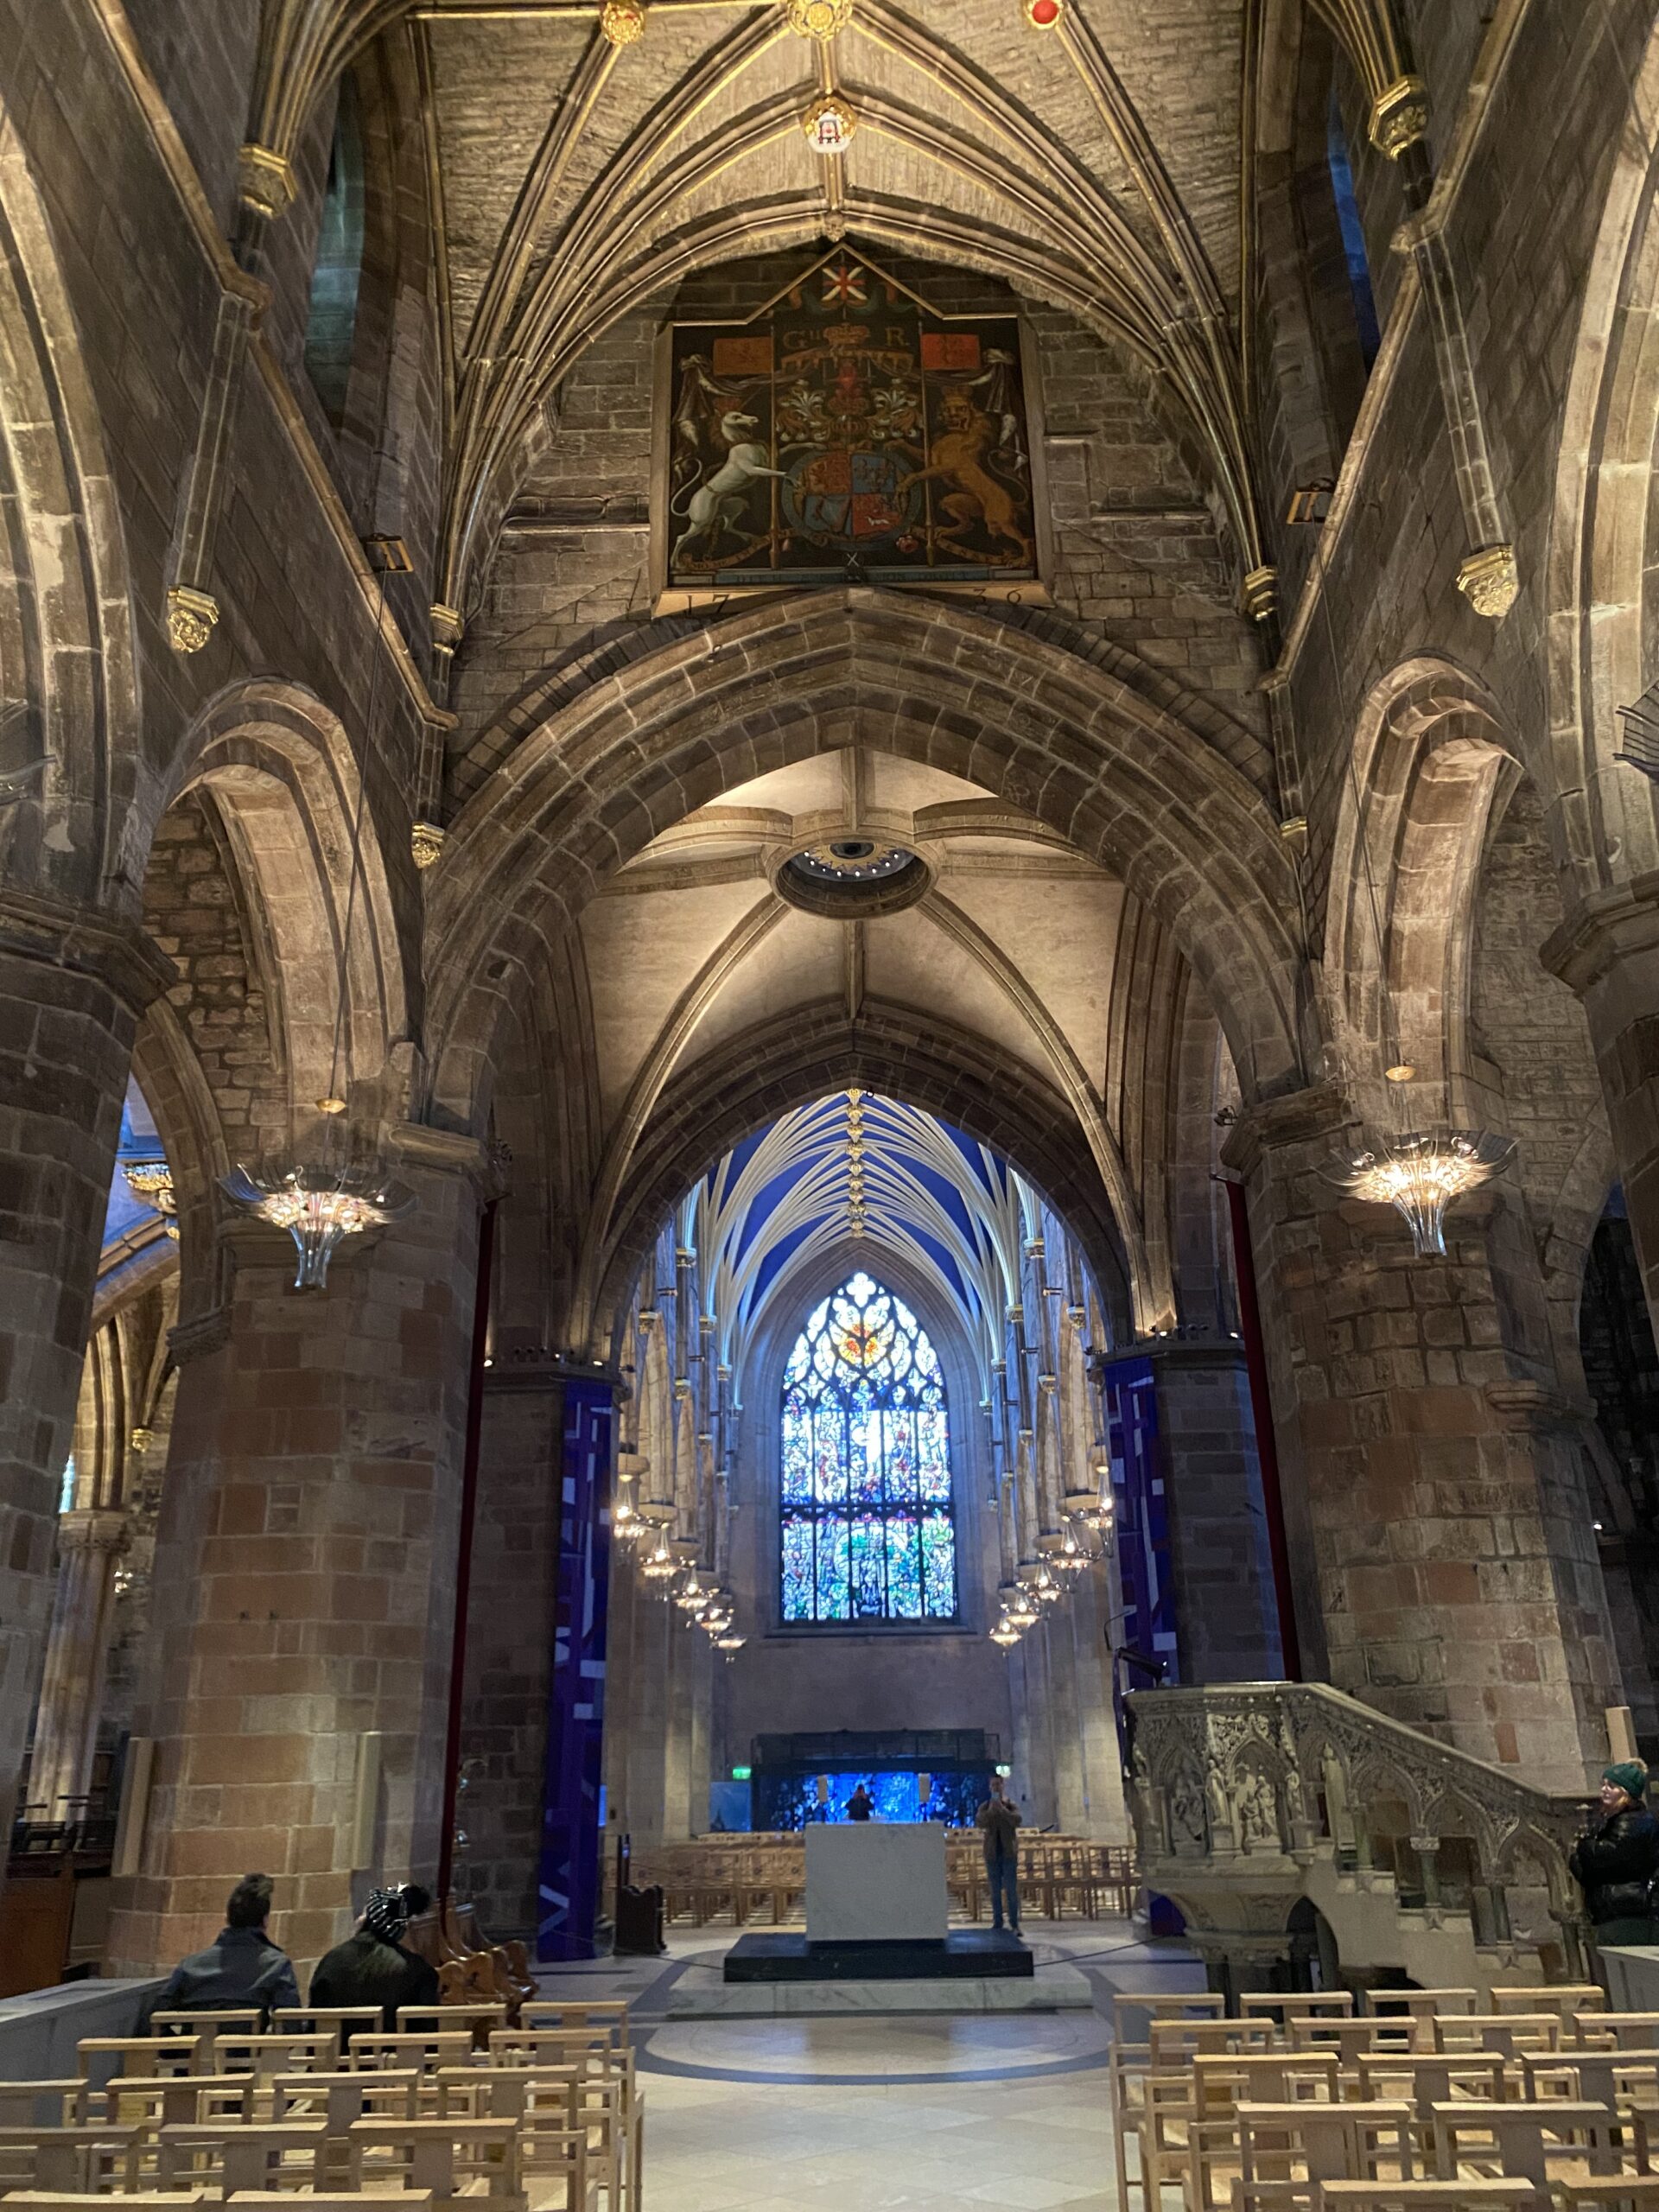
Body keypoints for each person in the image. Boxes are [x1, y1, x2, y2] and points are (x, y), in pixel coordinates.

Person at [141, 1872, 299, 2026]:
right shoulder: (276, 1965)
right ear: (265, 1920)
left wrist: (184, 2049)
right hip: (247, 2052)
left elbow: (150, 2025)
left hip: (193, 2052)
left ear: (228, 1918)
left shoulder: (189, 1966)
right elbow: (291, 2028)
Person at [308, 1883, 440, 2031]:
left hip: (335, 2051)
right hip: (393, 2051)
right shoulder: (419, 1971)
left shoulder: (331, 1960)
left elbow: (314, 2023)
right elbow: (427, 2033)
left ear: (366, 1919)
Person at [1570, 1762, 1659, 1946]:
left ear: (1626, 1792)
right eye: (1603, 1784)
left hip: (1632, 1912)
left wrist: (1584, 1847)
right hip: (1612, 1911)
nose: (1604, 1790)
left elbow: (1606, 1857)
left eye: (1611, 1786)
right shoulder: (1613, 1821)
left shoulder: (1635, 1821)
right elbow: (1590, 1874)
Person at [976, 1774, 1023, 1936]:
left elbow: (1017, 1820)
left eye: (998, 1785)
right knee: (995, 1890)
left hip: (1008, 1852)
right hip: (992, 1854)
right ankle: (997, 1922)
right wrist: (991, 1811)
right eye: (993, 1785)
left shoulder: (1011, 1806)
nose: (996, 1787)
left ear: (1003, 1786)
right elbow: (980, 1821)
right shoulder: (985, 1806)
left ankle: (1014, 1924)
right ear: (990, 1788)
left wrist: (1002, 1810)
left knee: (1010, 1890)